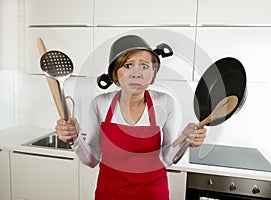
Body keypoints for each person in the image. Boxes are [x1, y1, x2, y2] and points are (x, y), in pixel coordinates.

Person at [55, 35, 207, 200]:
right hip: (110, 194)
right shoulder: (100, 104)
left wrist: (186, 140)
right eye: (128, 65)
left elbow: (167, 158)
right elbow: (92, 160)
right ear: (115, 73)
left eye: (144, 66)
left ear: (153, 72)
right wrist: (75, 139)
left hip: (153, 194)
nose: (137, 73)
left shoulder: (165, 103)